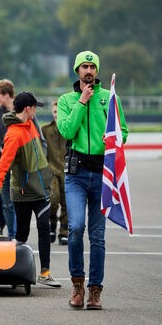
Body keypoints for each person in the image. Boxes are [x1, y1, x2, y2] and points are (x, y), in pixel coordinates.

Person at [57, 51, 128, 309]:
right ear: (77, 70)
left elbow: (124, 132)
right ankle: (77, 284)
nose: (88, 70)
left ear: (97, 70)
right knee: (75, 228)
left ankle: (95, 291)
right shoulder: (67, 100)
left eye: (92, 66)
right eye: (84, 66)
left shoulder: (110, 98)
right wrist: (82, 102)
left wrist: (111, 142)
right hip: (76, 174)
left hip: (102, 175)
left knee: (97, 235)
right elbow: (66, 130)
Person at [0, 92, 61, 287]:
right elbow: (2, 166)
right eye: (35, 107)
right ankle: (13, 272)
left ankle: (45, 272)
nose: (36, 110)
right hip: (23, 193)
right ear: (28, 109)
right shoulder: (13, 134)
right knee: (22, 234)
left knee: (44, 227)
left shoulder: (31, 127)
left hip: (42, 190)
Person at [0, 79, 47, 239]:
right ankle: (12, 236)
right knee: (6, 205)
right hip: (2, 164)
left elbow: (40, 141)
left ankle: (19, 235)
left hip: (24, 171)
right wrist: (0, 149)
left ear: (6, 95)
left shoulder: (28, 115)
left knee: (19, 204)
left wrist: (39, 160)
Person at [41, 100, 69, 245]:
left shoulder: (70, 129)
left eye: (60, 111)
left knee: (67, 203)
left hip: (68, 170)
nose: (57, 113)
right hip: (51, 170)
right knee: (53, 200)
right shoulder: (46, 129)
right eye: (55, 111)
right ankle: (52, 225)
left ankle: (64, 233)